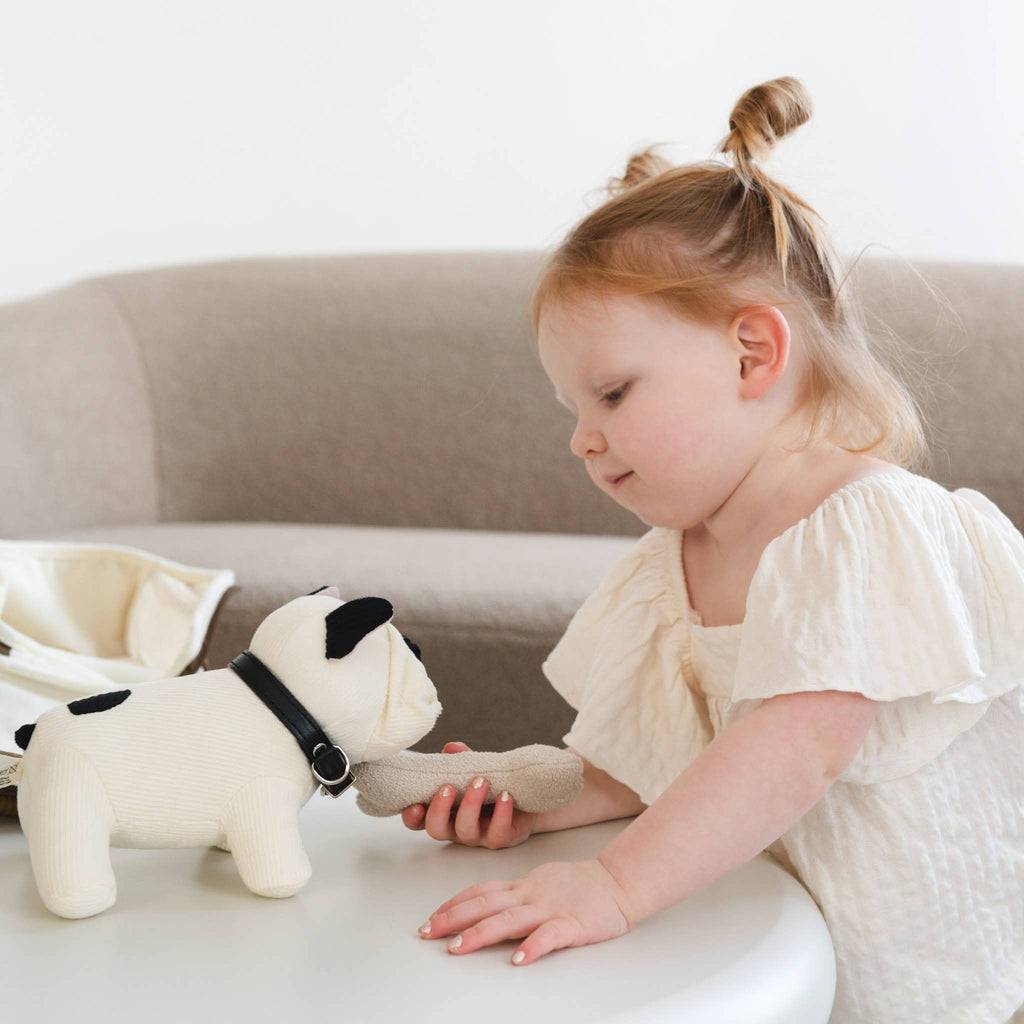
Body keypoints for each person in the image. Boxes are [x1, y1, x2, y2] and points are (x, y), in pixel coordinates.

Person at [402, 77, 1024, 1023]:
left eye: (613, 394)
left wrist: (614, 883)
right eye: (572, 409)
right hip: (809, 951)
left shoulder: (859, 523)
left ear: (752, 355)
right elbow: (654, 754)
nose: (582, 439)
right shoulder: (671, 567)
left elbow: (797, 746)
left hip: (951, 965)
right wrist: (538, 799)